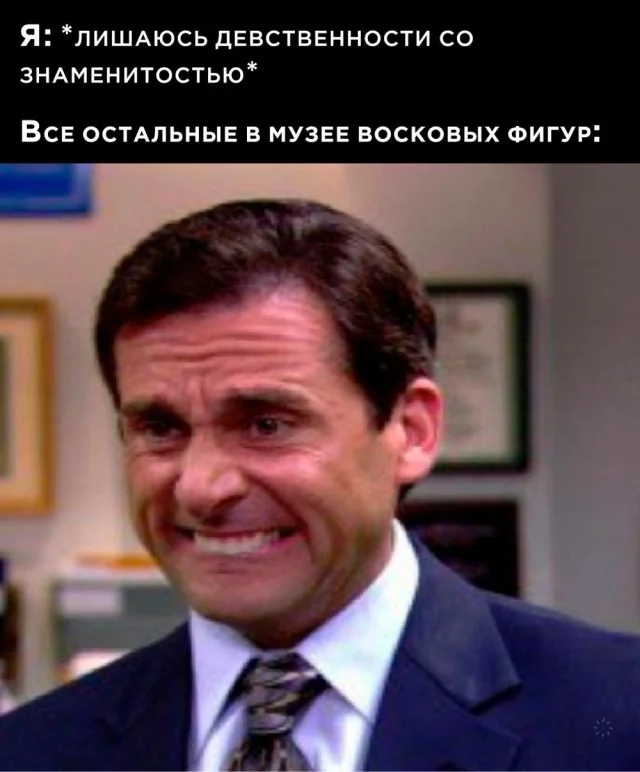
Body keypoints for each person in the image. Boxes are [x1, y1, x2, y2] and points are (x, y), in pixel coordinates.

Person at [1, 198, 639, 771]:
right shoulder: (34, 750)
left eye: (266, 424)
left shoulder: (615, 719)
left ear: (411, 430)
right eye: (160, 428)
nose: (200, 488)